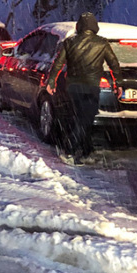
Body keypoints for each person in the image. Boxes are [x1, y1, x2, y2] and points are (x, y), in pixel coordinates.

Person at [46, 12, 122, 163]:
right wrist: (118, 83)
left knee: (79, 118)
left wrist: (52, 81)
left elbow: (58, 63)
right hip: (92, 86)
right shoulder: (102, 43)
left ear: (78, 26)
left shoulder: (69, 42)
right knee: (85, 119)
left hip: (73, 86)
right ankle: (71, 151)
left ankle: (86, 150)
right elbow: (114, 64)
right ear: (95, 26)